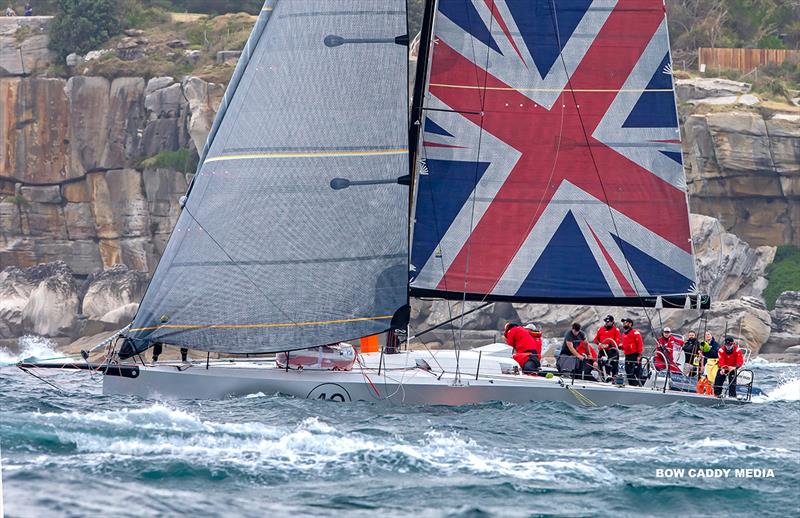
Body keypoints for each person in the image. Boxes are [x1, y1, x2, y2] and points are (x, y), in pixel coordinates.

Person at [594, 314, 621, 380]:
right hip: (602, 351)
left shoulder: (616, 330)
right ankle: (603, 379)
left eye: (608, 322)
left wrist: (608, 345)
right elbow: (595, 339)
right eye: (605, 321)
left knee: (613, 366)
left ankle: (614, 379)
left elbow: (617, 342)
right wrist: (599, 344)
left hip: (612, 352)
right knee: (601, 365)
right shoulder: (600, 329)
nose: (606, 323)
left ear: (612, 322)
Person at [620, 317, 644, 386]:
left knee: (636, 372)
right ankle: (632, 385)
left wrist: (639, 355)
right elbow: (625, 346)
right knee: (628, 372)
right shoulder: (624, 334)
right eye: (623, 322)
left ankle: (638, 385)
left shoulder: (635, 333)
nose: (624, 323)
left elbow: (640, 344)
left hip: (635, 355)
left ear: (630, 324)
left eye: (626, 322)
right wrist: (620, 347)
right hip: (627, 356)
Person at [697, 331, 720, 395]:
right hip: (704, 364)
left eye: (708, 334)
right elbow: (702, 356)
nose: (707, 336)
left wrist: (709, 349)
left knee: (709, 382)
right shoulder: (703, 344)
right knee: (701, 381)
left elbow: (716, 355)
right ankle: (700, 393)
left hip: (713, 365)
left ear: (711, 335)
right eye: (706, 335)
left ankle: (709, 394)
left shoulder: (716, 344)